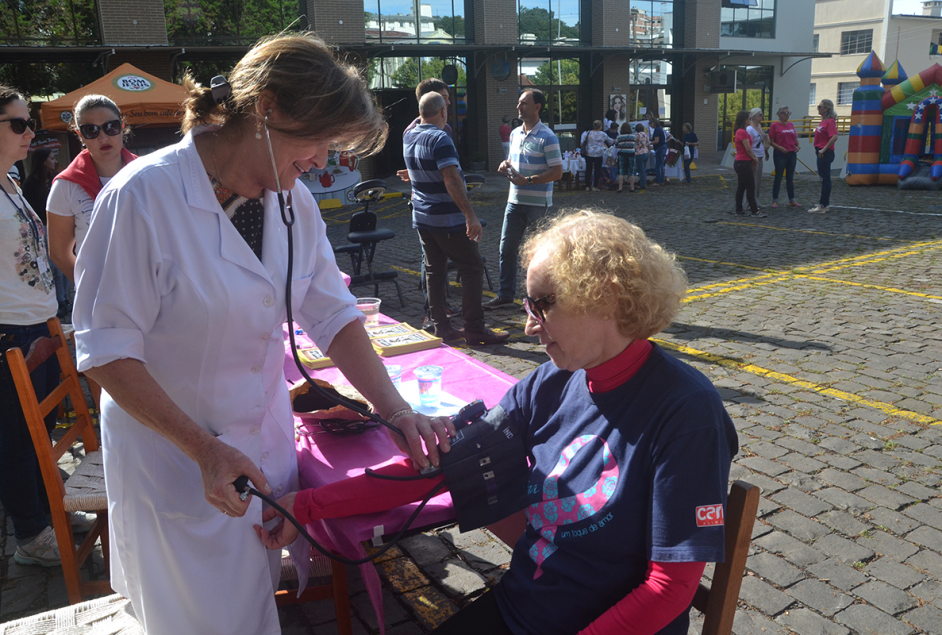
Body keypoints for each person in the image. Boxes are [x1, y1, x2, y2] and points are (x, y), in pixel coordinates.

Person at [72, 33, 454, 635]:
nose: (323, 162)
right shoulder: (140, 197)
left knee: (250, 613)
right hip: (178, 464)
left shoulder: (291, 200)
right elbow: (104, 350)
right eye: (319, 141)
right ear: (267, 109)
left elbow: (333, 314)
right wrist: (204, 449)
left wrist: (396, 410)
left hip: (259, 456)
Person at [260, 211, 739, 635]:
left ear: (605, 297)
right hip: (523, 608)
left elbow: (670, 587)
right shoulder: (552, 382)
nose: (529, 325)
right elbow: (440, 467)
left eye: (542, 304)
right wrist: (305, 506)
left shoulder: (686, 411)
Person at [0, 86, 63, 569]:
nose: (30, 133)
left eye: (30, 123)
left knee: (43, 429)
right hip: (10, 332)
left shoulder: (12, 180)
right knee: (17, 440)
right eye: (19, 124)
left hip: (38, 322)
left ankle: (48, 515)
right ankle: (29, 535)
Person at [404, 92, 509, 346]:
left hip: (422, 217)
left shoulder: (409, 135)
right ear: (443, 112)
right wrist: (470, 215)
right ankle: (474, 328)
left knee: (434, 270)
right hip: (446, 219)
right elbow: (451, 179)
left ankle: (440, 326)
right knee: (472, 267)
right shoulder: (440, 139)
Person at [486, 89, 563, 309]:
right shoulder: (515, 134)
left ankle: (538, 297)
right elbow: (512, 160)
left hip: (538, 205)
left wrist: (527, 180)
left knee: (539, 254)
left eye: (523, 103)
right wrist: (505, 165)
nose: (518, 107)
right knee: (506, 249)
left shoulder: (547, 137)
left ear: (537, 107)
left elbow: (557, 172)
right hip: (514, 202)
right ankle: (505, 295)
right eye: (519, 103)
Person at [22, 148, 70, 318]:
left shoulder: (54, 180)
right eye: (51, 158)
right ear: (43, 161)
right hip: (43, 228)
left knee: (64, 263)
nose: (55, 161)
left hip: (59, 226)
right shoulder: (31, 184)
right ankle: (59, 301)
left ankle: (65, 299)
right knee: (54, 266)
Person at [732, 109, 764, 218]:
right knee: (750, 187)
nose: (750, 120)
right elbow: (748, 149)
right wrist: (754, 158)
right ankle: (754, 211)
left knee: (741, 187)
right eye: (749, 118)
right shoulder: (742, 132)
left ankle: (739, 209)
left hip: (741, 162)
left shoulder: (742, 131)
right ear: (745, 120)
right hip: (743, 162)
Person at [768, 106, 801, 209]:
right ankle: (775, 200)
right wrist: (780, 148)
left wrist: (798, 146)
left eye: (788, 113)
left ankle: (792, 199)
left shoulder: (791, 125)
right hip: (780, 153)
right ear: (779, 114)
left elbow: (795, 138)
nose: (787, 115)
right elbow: (771, 141)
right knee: (778, 176)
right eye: (785, 113)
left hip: (791, 153)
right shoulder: (775, 125)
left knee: (790, 177)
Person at [810, 99, 838, 214]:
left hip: (825, 153)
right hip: (820, 151)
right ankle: (823, 204)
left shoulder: (830, 122)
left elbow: (834, 136)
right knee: (823, 178)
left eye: (820, 107)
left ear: (826, 109)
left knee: (825, 178)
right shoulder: (823, 121)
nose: (818, 108)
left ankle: (823, 205)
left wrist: (824, 149)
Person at [745, 108, 768, 204]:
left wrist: (766, 152)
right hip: (754, 157)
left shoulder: (759, 127)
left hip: (760, 155)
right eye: (760, 115)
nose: (762, 116)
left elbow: (761, 141)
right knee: (752, 181)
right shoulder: (750, 129)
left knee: (758, 180)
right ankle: (749, 202)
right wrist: (752, 157)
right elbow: (748, 144)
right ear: (754, 117)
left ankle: (756, 200)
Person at [583, 120, 612, 192]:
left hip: (589, 153)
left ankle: (587, 186)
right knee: (597, 170)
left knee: (588, 170)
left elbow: (583, 141)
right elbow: (610, 141)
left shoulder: (588, 133)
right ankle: (595, 186)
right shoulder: (602, 134)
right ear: (600, 126)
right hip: (598, 154)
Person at [614, 122, 636, 193]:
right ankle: (632, 187)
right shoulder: (633, 136)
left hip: (622, 154)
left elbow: (616, 145)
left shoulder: (619, 137)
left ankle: (620, 188)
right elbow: (634, 145)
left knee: (621, 171)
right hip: (631, 154)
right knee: (631, 172)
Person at [633, 123, 650, 191]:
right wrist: (648, 151)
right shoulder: (646, 135)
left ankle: (642, 184)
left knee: (641, 170)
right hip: (646, 152)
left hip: (639, 153)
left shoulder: (636, 135)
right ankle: (643, 182)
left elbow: (634, 144)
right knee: (644, 169)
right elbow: (648, 144)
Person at [650, 119, 667, 185]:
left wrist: (650, 143)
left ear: (654, 123)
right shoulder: (660, 128)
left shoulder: (657, 130)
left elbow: (656, 141)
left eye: (651, 124)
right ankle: (661, 180)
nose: (650, 126)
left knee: (658, 165)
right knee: (661, 165)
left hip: (660, 148)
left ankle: (658, 181)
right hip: (663, 147)